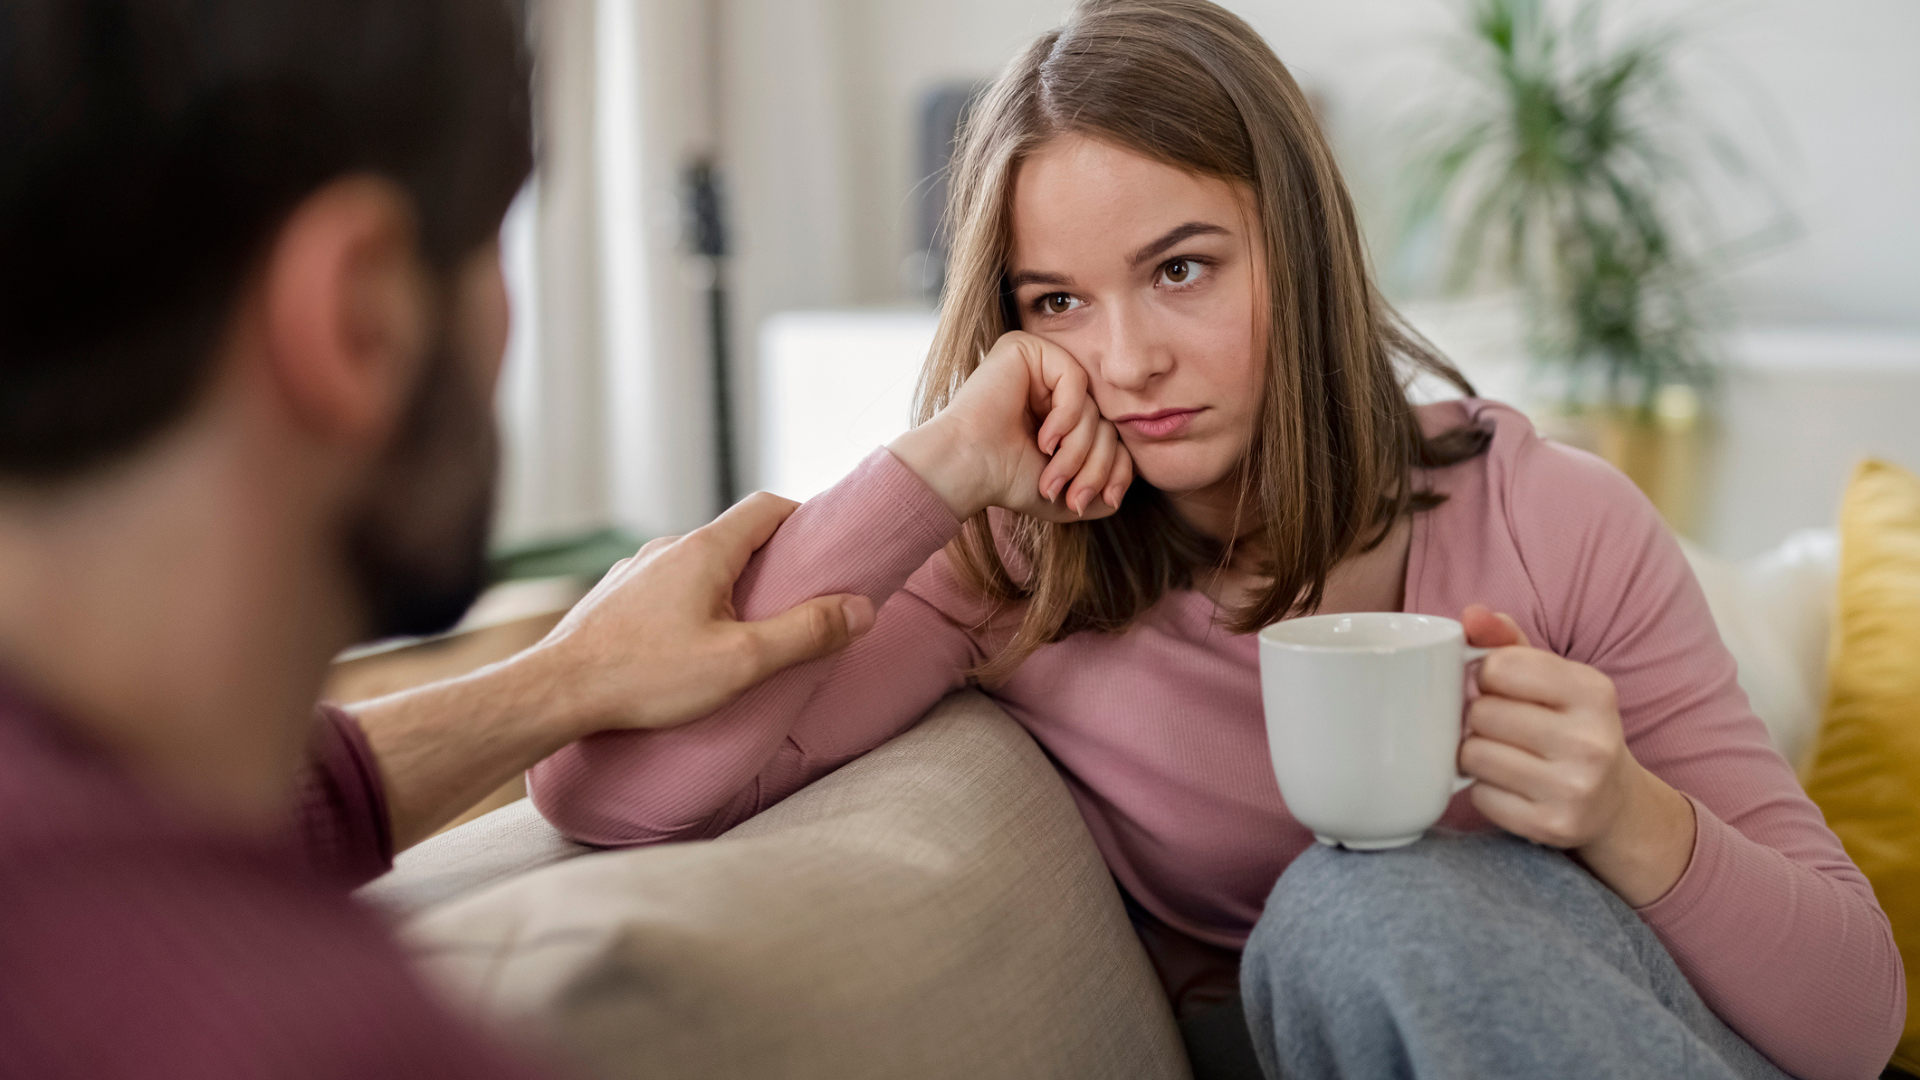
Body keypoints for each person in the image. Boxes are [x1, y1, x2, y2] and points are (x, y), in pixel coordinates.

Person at [528, 2, 1905, 1078]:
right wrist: (937, 465)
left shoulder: (1550, 518)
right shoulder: (1015, 569)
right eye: (1057, 300)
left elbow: (1851, 1025)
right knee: (1342, 916)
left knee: (1367, 908)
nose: (1126, 359)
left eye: (1182, 268)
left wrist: (1628, 815)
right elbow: (614, 791)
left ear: (1296, 250)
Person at [0, 2, 874, 1076]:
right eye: (490, 242)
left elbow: (210, 823)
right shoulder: (310, 1039)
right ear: (362, 313)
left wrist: (570, 676)